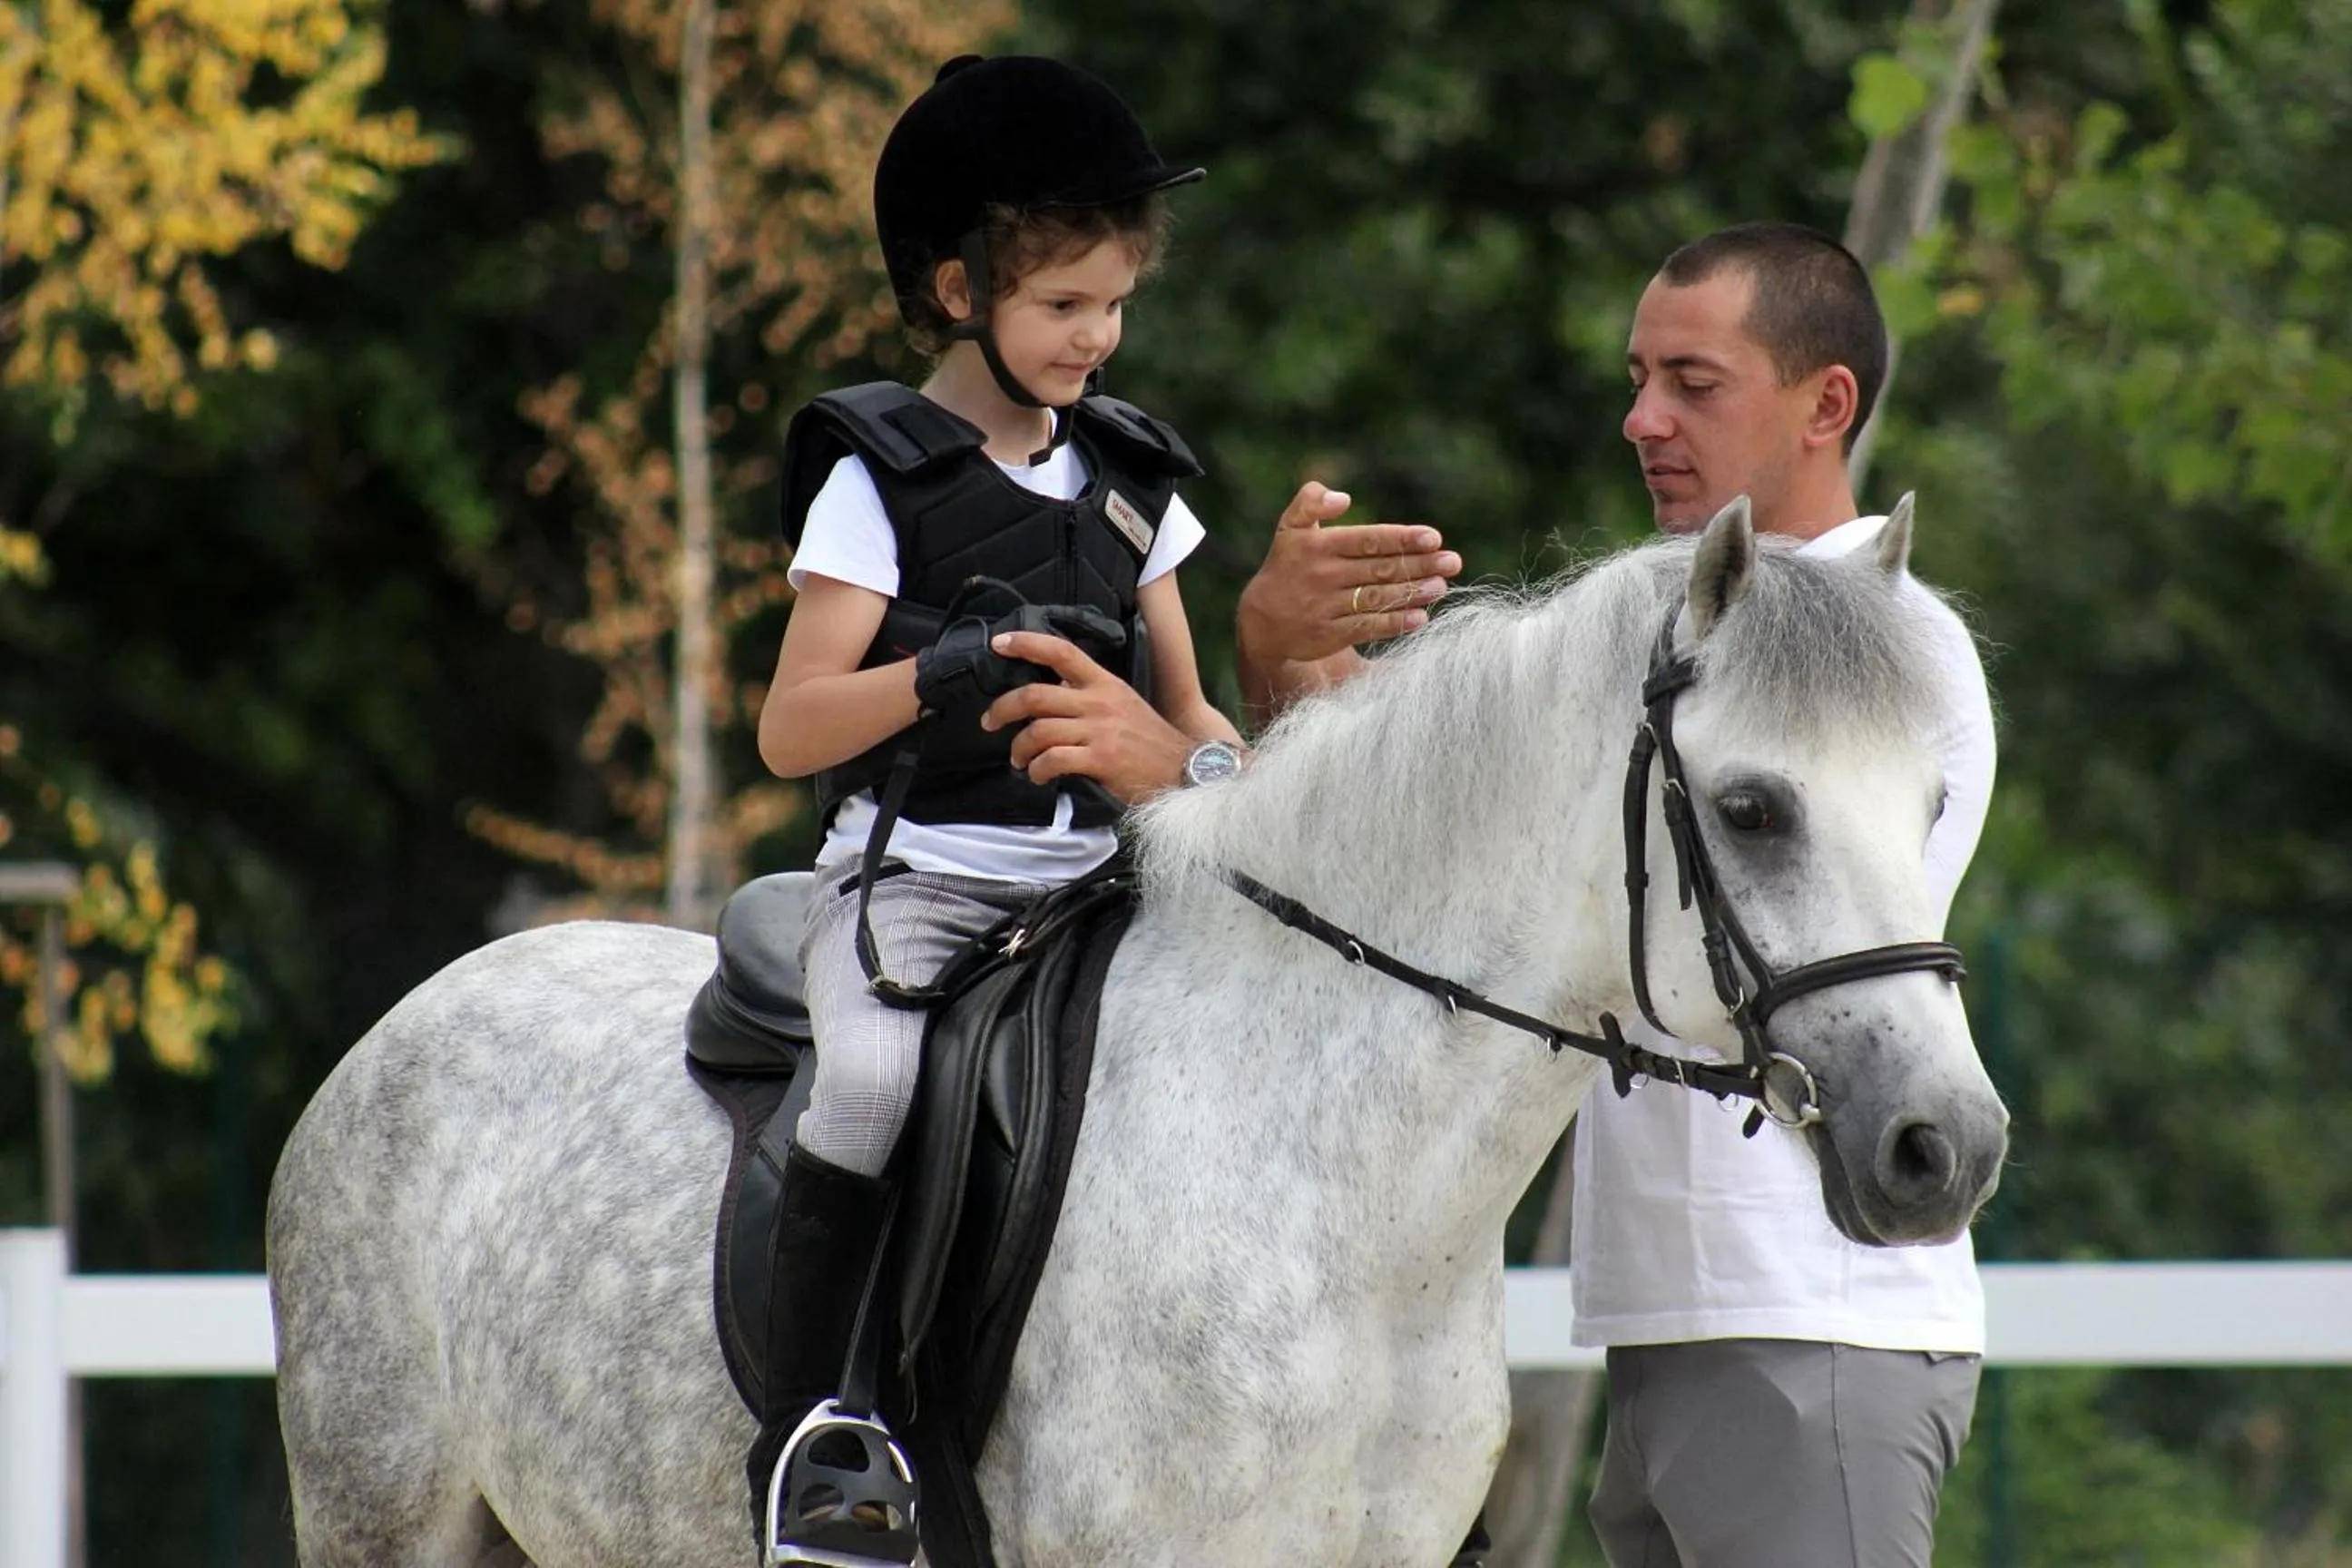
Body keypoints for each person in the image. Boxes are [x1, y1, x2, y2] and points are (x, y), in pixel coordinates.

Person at [1232, 222, 1996, 1568]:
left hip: (1805, 1318)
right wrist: (1282, 685)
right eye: (1638, 377)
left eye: (1694, 383)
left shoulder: (1873, 645)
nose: (1643, 419)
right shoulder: (1704, 647)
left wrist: (1183, 762)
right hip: (1678, 1320)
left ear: (1827, 405)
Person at [750, 54, 1248, 1567]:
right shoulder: (877, 478)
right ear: (961, 292)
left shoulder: (1137, 479)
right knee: (872, 1087)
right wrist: (938, 676)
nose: (1096, 339)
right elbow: (788, 729)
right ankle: (815, 1444)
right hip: (918, 880)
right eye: (1063, 309)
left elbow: (1191, 708)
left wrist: (1223, 777)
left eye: (1113, 307)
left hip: (1108, 880)